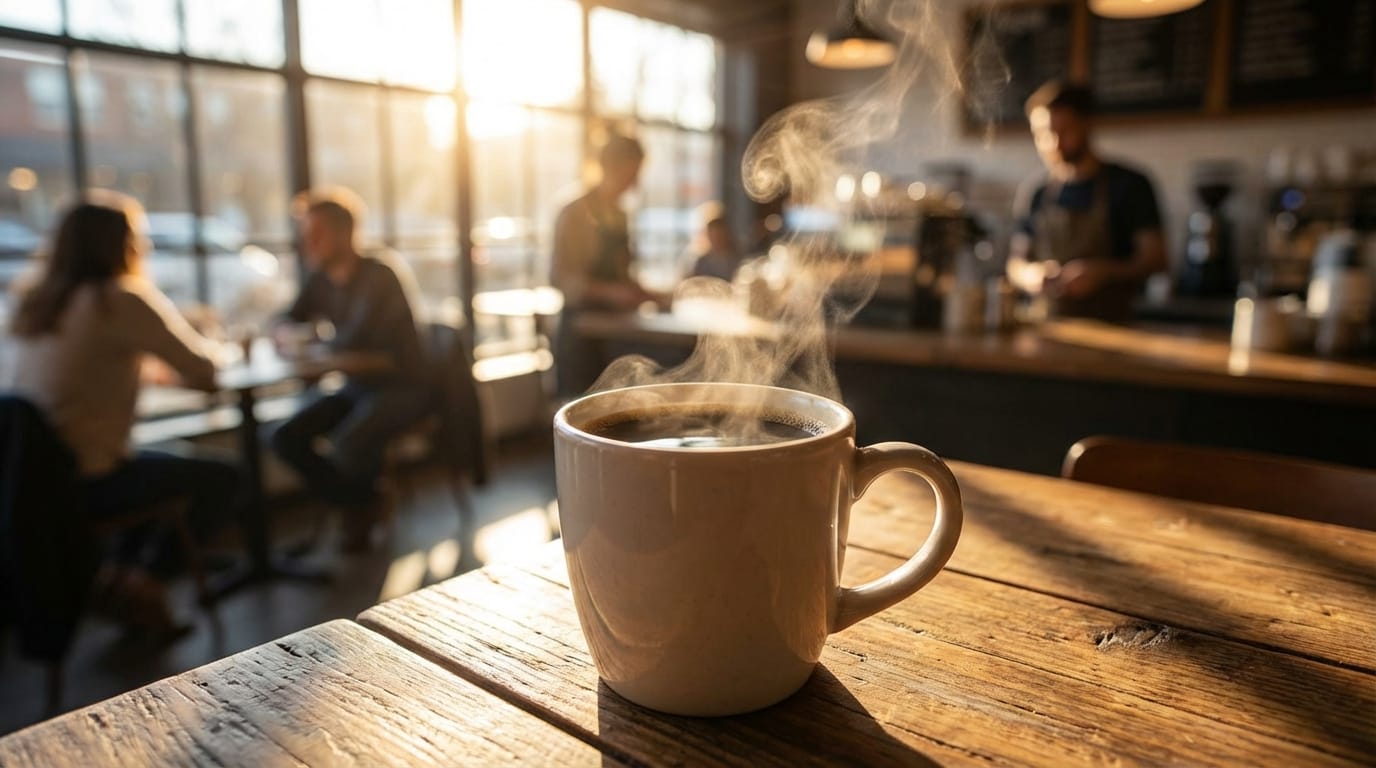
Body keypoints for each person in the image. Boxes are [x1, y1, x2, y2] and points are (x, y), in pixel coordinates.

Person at [6, 190, 240, 636]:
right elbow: (204, 367)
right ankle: (143, 583)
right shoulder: (120, 299)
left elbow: (78, 373)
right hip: (91, 479)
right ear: (124, 244)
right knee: (224, 478)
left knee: (164, 457)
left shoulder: (36, 303)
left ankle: (118, 579)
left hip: (32, 486)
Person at [269, 187, 429, 552]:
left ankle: (356, 514)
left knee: (349, 440)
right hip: (356, 387)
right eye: (305, 234)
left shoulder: (380, 276)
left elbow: (396, 358)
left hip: (405, 386)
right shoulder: (320, 278)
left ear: (346, 234)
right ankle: (362, 502)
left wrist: (327, 362)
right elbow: (285, 319)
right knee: (285, 436)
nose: (308, 243)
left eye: (317, 234)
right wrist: (286, 334)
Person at [1007, 81, 1168, 322]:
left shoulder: (1129, 185)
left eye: (1064, 131)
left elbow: (1155, 260)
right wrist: (1032, 275)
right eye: (1043, 134)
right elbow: (1015, 264)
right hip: (1045, 328)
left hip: (1111, 329)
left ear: (1087, 125)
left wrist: (1103, 272)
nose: (1054, 144)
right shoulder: (1036, 192)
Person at [550, 132, 663, 396]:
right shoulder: (574, 213)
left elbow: (621, 273)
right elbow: (561, 278)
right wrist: (613, 293)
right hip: (580, 331)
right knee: (579, 411)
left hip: (615, 330)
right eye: (631, 172)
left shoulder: (620, 216)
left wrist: (642, 292)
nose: (635, 182)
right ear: (611, 167)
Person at [684, 201, 744, 282]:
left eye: (719, 235)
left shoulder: (737, 260)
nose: (717, 239)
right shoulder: (702, 262)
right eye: (713, 236)